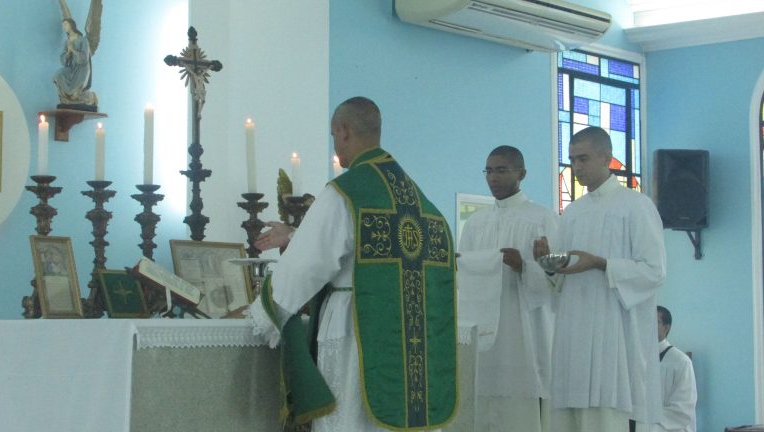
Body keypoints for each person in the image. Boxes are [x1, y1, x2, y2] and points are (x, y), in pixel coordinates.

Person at [245, 96, 458, 431]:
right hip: (412, 344)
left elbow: (304, 267)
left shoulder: (347, 192)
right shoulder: (423, 204)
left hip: (355, 333)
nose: (336, 144)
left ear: (343, 130)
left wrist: (260, 313)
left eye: (334, 136)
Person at [534, 126, 667, 432]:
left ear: (607, 158)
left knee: (606, 417)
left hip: (614, 335)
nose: (576, 167)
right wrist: (548, 264)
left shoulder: (636, 206)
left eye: (583, 159)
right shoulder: (572, 213)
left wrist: (601, 264)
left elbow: (654, 270)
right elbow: (562, 276)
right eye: (572, 160)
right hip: (573, 336)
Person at [457, 145, 559, 431]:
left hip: (523, 335)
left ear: (521, 173)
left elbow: (556, 282)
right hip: (484, 339)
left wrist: (524, 266)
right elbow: (464, 277)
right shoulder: (476, 223)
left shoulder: (542, 219)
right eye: (489, 171)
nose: (493, 177)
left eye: (501, 170)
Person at [648, 306, 697, 432]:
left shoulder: (681, 361)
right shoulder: (638, 359)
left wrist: (648, 426)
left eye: (655, 322)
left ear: (666, 327)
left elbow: (682, 409)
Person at [54, 18, 97, 109]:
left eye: (65, 24)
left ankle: (90, 98)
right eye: (63, 25)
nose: (64, 27)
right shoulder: (67, 41)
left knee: (74, 96)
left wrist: (73, 50)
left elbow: (84, 58)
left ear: (71, 25)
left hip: (82, 69)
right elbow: (63, 61)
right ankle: (66, 98)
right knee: (58, 75)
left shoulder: (83, 40)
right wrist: (68, 53)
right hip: (72, 68)